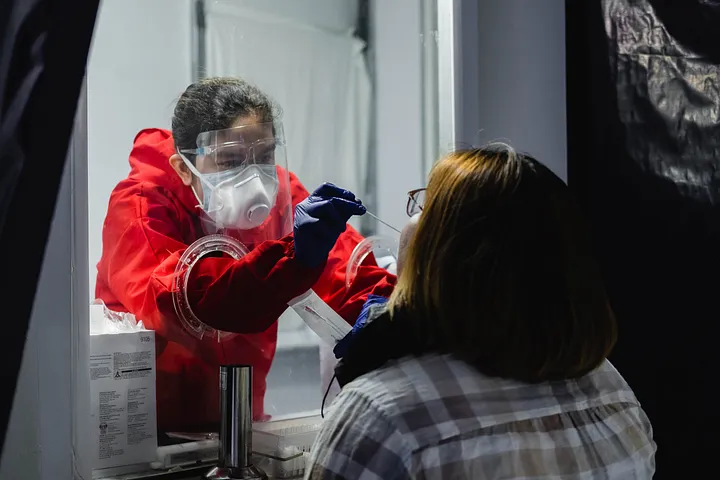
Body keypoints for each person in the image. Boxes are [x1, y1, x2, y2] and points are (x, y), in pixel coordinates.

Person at [306, 144, 656, 479]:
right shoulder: (606, 382)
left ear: (450, 260)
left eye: (427, 206)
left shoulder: (379, 415)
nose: (412, 216)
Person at [95, 77, 395, 439]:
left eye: (265, 156)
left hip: (242, 422)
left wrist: (388, 315)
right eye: (230, 160)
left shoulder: (281, 192)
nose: (254, 177)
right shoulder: (140, 206)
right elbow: (181, 300)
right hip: (150, 433)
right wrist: (292, 260)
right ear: (182, 167)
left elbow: (346, 269)